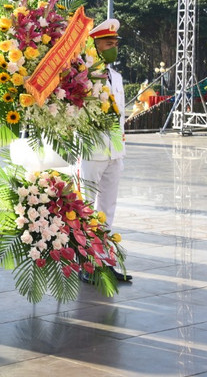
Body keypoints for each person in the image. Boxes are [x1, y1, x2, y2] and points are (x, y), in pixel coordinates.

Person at [79, 18, 130, 283]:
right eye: (108, 43)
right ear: (95, 45)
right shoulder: (82, 75)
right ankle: (87, 263)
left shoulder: (117, 77)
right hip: (91, 150)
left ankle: (106, 261)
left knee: (107, 209)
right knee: (86, 209)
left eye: (115, 43)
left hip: (114, 151)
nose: (113, 48)